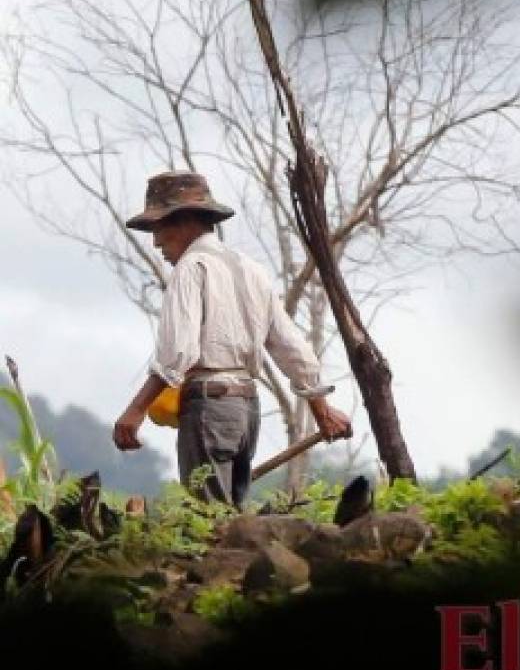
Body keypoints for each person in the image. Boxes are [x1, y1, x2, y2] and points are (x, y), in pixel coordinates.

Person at [112, 170, 351, 509]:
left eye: (159, 228)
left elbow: (178, 352)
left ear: (183, 222)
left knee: (210, 523)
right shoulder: (251, 269)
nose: (156, 242)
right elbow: (292, 349)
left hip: (210, 408)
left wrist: (135, 410)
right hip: (245, 410)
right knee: (230, 519)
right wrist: (322, 411)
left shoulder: (191, 267)